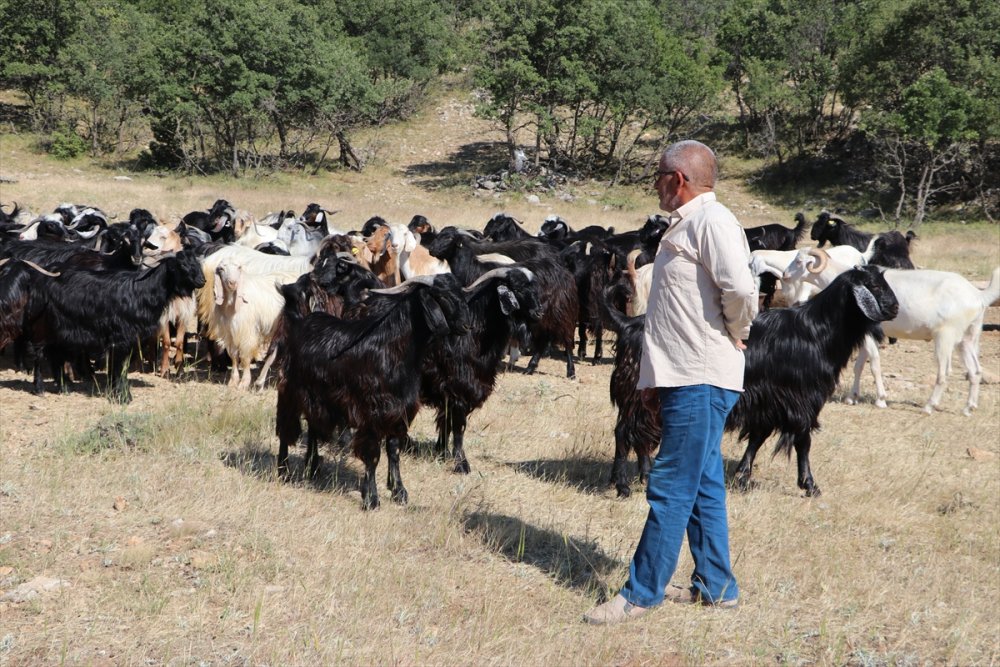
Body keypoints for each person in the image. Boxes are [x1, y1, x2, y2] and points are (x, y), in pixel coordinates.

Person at [583, 140, 758, 625]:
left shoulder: (711, 221)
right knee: (702, 484)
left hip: (701, 376)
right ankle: (717, 587)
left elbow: (741, 289)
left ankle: (641, 593)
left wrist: (737, 332)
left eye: (658, 175)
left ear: (677, 179)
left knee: (670, 485)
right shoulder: (688, 225)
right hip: (684, 374)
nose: (655, 184)